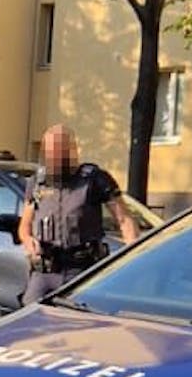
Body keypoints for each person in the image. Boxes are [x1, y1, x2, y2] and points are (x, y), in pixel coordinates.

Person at [17, 124, 139, 303]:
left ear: (71, 150)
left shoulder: (94, 179)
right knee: (28, 321)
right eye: (51, 152)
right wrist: (28, 242)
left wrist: (133, 258)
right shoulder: (37, 183)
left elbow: (124, 219)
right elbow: (24, 227)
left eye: (59, 151)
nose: (54, 157)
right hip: (44, 273)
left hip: (82, 273)